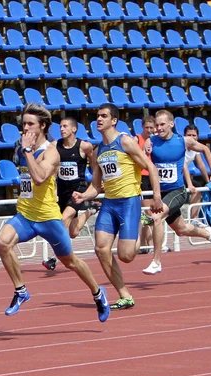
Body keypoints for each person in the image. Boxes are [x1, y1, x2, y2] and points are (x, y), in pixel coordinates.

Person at [0, 103, 110, 322]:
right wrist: (24, 151)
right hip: (26, 215)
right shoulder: (21, 147)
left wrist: (28, 151)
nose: (25, 128)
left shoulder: (51, 152)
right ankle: (21, 290)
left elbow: (39, 178)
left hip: (48, 218)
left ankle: (97, 292)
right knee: (2, 242)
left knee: (70, 262)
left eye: (31, 124)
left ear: (43, 126)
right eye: (24, 123)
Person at [72, 103, 163, 310]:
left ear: (114, 120)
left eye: (104, 116)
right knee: (101, 248)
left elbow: (150, 166)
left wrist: (156, 196)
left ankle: (141, 222)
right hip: (110, 203)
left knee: (126, 256)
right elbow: (96, 186)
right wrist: (83, 195)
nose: (99, 119)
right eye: (97, 116)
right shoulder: (98, 151)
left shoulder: (125, 141)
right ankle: (125, 295)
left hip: (129, 201)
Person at [140, 111, 211, 275]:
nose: (159, 128)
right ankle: (207, 233)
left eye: (162, 124)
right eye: (157, 125)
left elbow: (205, 149)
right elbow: (142, 159)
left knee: (157, 218)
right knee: (182, 229)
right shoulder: (152, 141)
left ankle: (156, 261)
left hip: (177, 191)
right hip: (162, 193)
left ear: (171, 124)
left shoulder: (182, 141)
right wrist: (145, 150)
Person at [42, 117, 99, 271]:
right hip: (62, 191)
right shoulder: (55, 146)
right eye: (60, 126)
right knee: (72, 232)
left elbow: (95, 164)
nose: (61, 129)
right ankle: (90, 211)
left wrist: (96, 182)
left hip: (78, 191)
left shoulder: (84, 146)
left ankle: (54, 258)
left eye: (65, 126)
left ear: (74, 129)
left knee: (62, 220)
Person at [136, 115, 157, 253]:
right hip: (141, 176)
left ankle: (146, 243)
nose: (149, 130)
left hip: (152, 176)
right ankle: (148, 243)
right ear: (142, 127)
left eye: (151, 127)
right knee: (147, 212)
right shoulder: (136, 139)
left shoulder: (156, 140)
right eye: (147, 127)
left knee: (149, 213)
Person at [183, 124, 210, 220]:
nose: (191, 137)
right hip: (175, 175)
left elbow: (201, 165)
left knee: (198, 190)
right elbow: (183, 165)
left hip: (183, 176)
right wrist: (190, 184)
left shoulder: (195, 148)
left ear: (197, 137)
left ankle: (193, 219)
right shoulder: (181, 146)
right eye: (189, 135)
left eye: (194, 135)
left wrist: (208, 181)